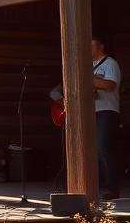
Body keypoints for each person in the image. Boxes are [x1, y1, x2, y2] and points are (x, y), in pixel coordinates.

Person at [50, 36, 122, 199]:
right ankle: (91, 187)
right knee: (89, 151)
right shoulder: (87, 66)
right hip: (87, 112)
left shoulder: (110, 64)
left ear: (101, 47)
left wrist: (90, 80)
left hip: (106, 111)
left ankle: (112, 188)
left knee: (104, 148)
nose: (87, 50)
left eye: (91, 46)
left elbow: (110, 85)